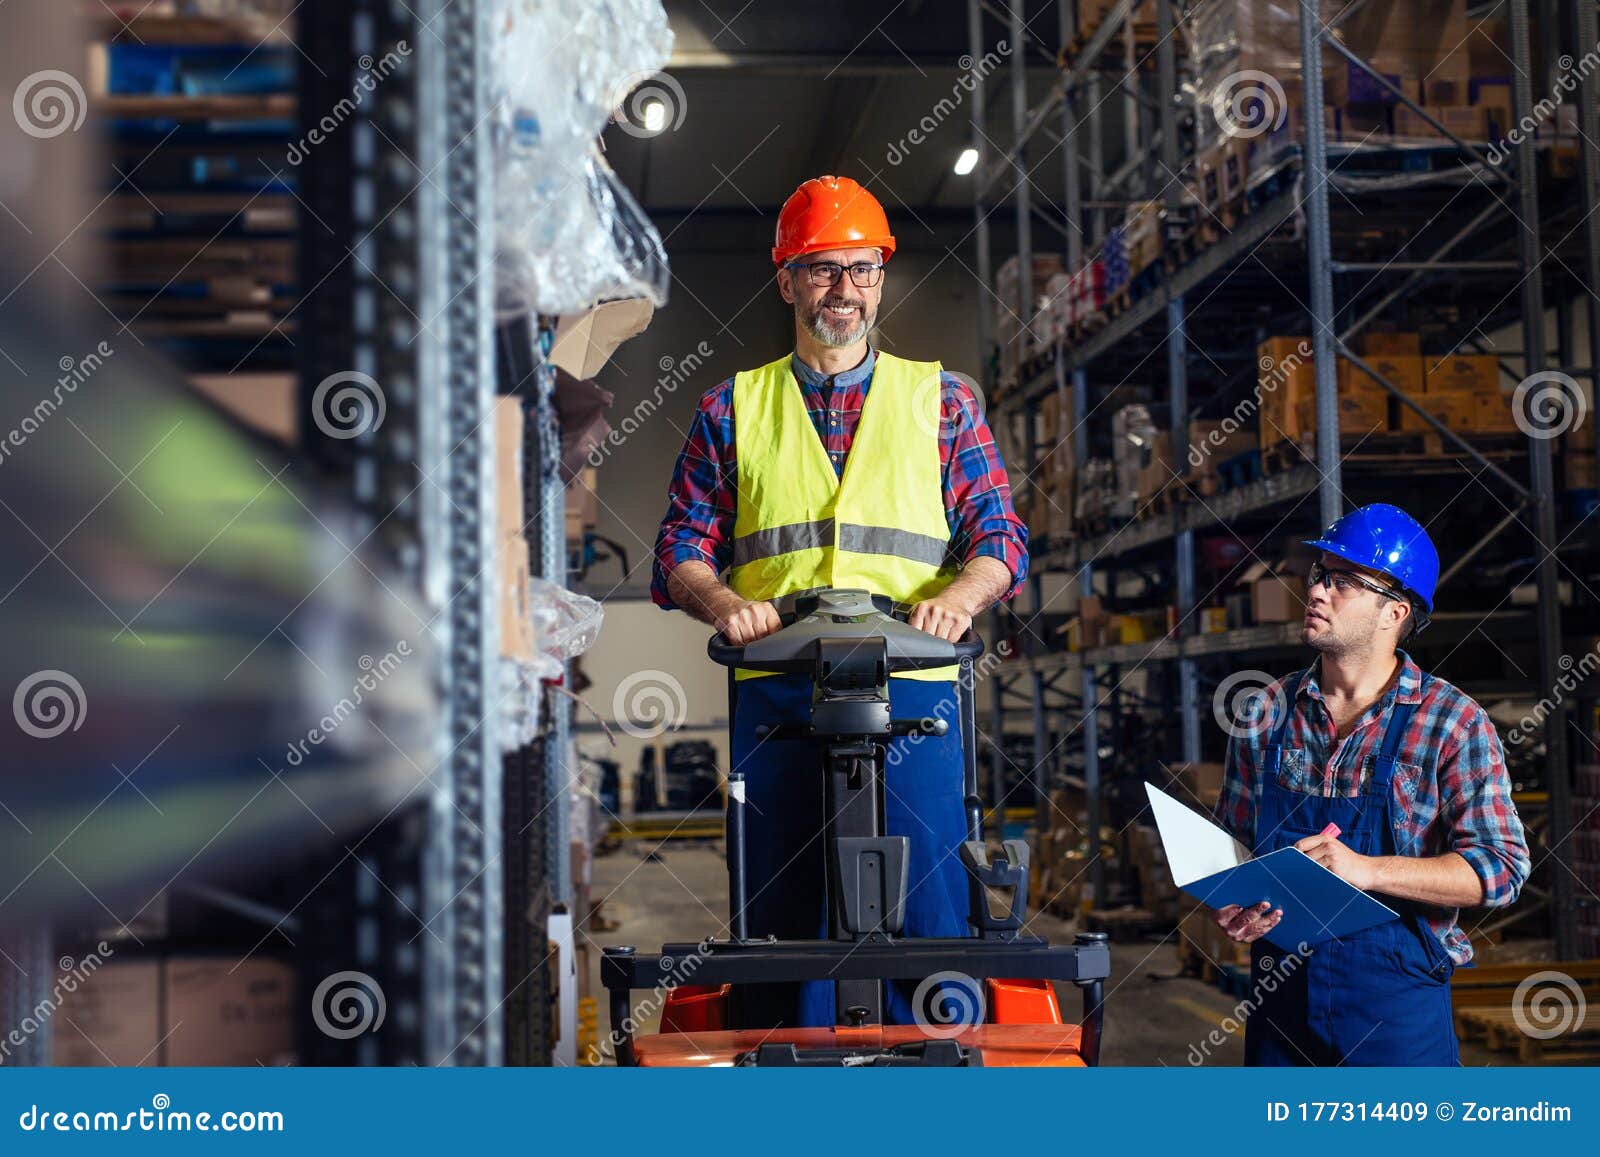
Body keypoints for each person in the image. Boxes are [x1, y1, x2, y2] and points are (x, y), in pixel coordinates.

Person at [651, 175, 1028, 1027]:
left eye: (863, 270)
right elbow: (680, 549)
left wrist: (963, 597)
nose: (845, 291)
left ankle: (933, 1086)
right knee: (783, 925)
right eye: (824, 270)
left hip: (918, 702)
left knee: (929, 918)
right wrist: (719, 603)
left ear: (882, 278)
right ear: (786, 279)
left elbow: (1001, 537)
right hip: (779, 702)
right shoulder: (731, 408)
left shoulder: (944, 401)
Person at [1211, 503, 1530, 1065]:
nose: (1316, 591)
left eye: (1343, 582)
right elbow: (1233, 845)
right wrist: (1229, 899)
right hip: (1278, 1004)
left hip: (1395, 1015)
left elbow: (1500, 870)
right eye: (1318, 575)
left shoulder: (1451, 722)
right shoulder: (1266, 711)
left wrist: (1366, 868)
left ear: (1394, 612)